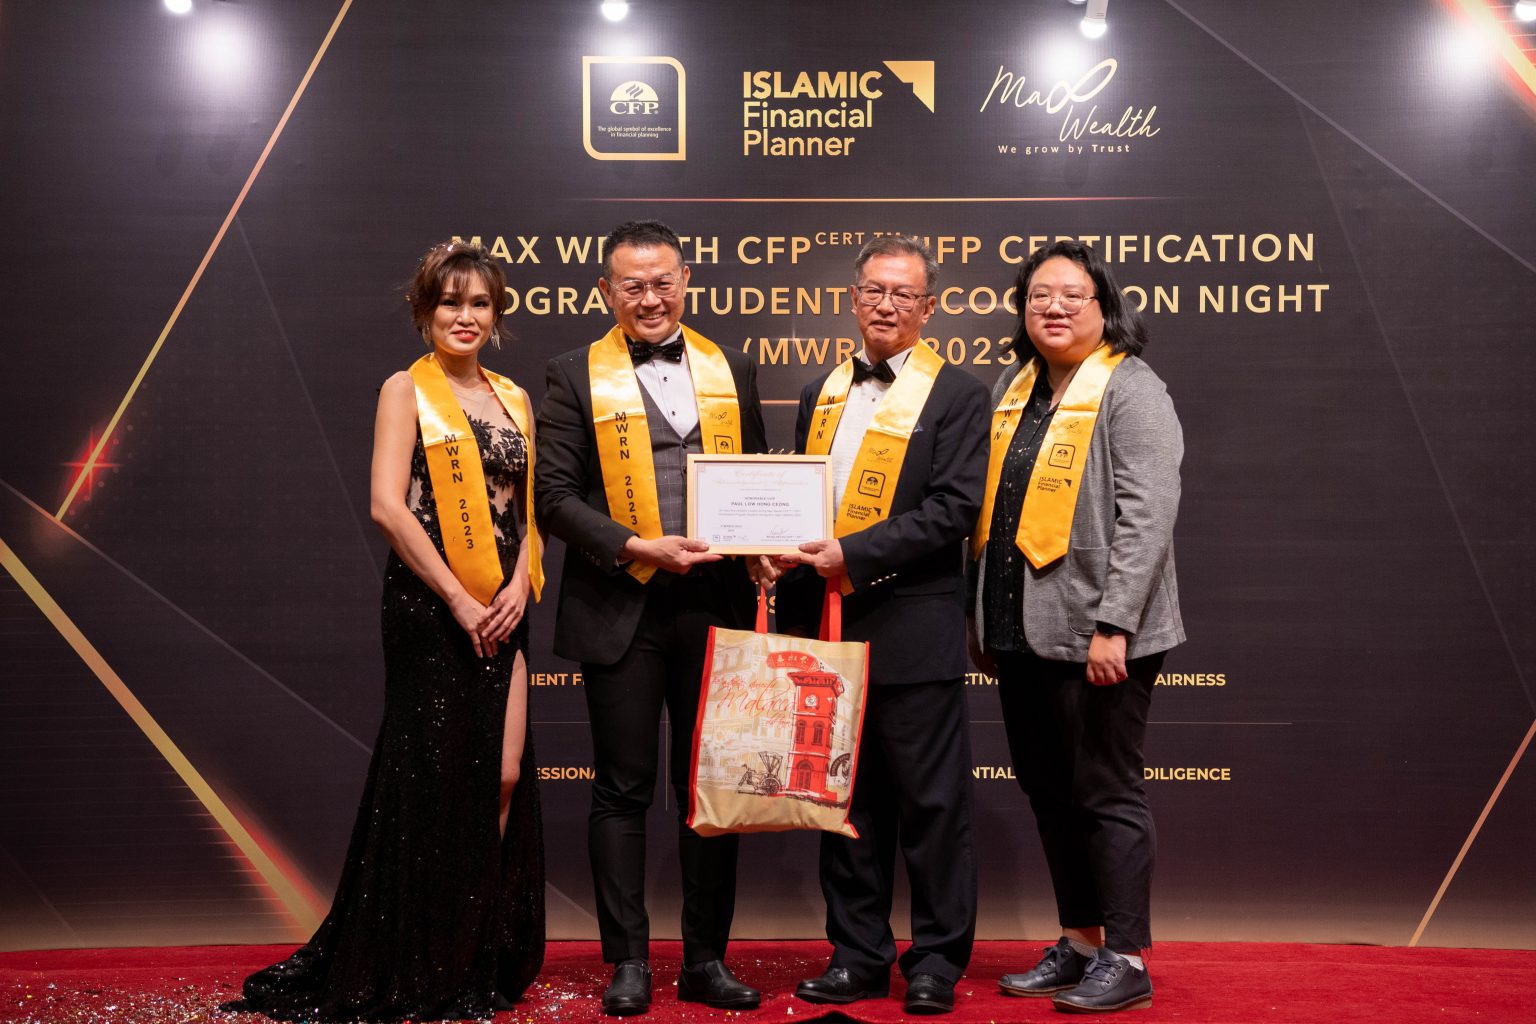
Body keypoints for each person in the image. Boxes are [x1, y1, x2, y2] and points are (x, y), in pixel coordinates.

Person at [230, 241, 545, 1022]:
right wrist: (459, 600)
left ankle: (471, 951)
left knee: (503, 775)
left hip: (503, 607)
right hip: (431, 609)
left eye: (479, 303)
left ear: (497, 313)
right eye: (450, 303)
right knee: (435, 783)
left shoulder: (513, 396)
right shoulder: (406, 390)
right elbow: (387, 506)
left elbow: (527, 513)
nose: (465, 316)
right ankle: (425, 960)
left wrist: (516, 586)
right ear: (424, 311)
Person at [534, 220, 766, 1016]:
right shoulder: (572, 374)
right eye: (632, 286)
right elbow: (552, 497)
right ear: (605, 291)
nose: (650, 298)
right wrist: (634, 545)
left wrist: (765, 545)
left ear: (686, 280)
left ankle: (706, 960)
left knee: (710, 790)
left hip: (714, 607)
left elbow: (754, 480)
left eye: (663, 282)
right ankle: (628, 961)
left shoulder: (730, 366)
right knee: (622, 789)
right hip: (619, 605)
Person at [768, 234, 988, 1016]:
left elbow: (955, 509)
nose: (886, 305)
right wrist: (777, 546)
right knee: (845, 807)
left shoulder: (958, 395)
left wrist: (851, 553)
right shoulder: (819, 392)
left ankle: (936, 961)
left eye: (903, 294)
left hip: (912, 627)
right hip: (826, 628)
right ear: (852, 298)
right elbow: (802, 499)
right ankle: (857, 955)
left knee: (932, 808)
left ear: (929, 307)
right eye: (873, 291)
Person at [971, 239, 1184, 1013]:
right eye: (1038, 296)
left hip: (1100, 634)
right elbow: (994, 511)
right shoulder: (1016, 385)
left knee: (1104, 791)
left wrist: (1115, 623)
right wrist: (983, 616)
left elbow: (1148, 514)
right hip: (1020, 630)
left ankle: (1126, 956)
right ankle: (1082, 943)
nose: (1053, 308)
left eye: (1071, 295)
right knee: (1049, 792)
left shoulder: (1133, 388)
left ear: (1104, 307)